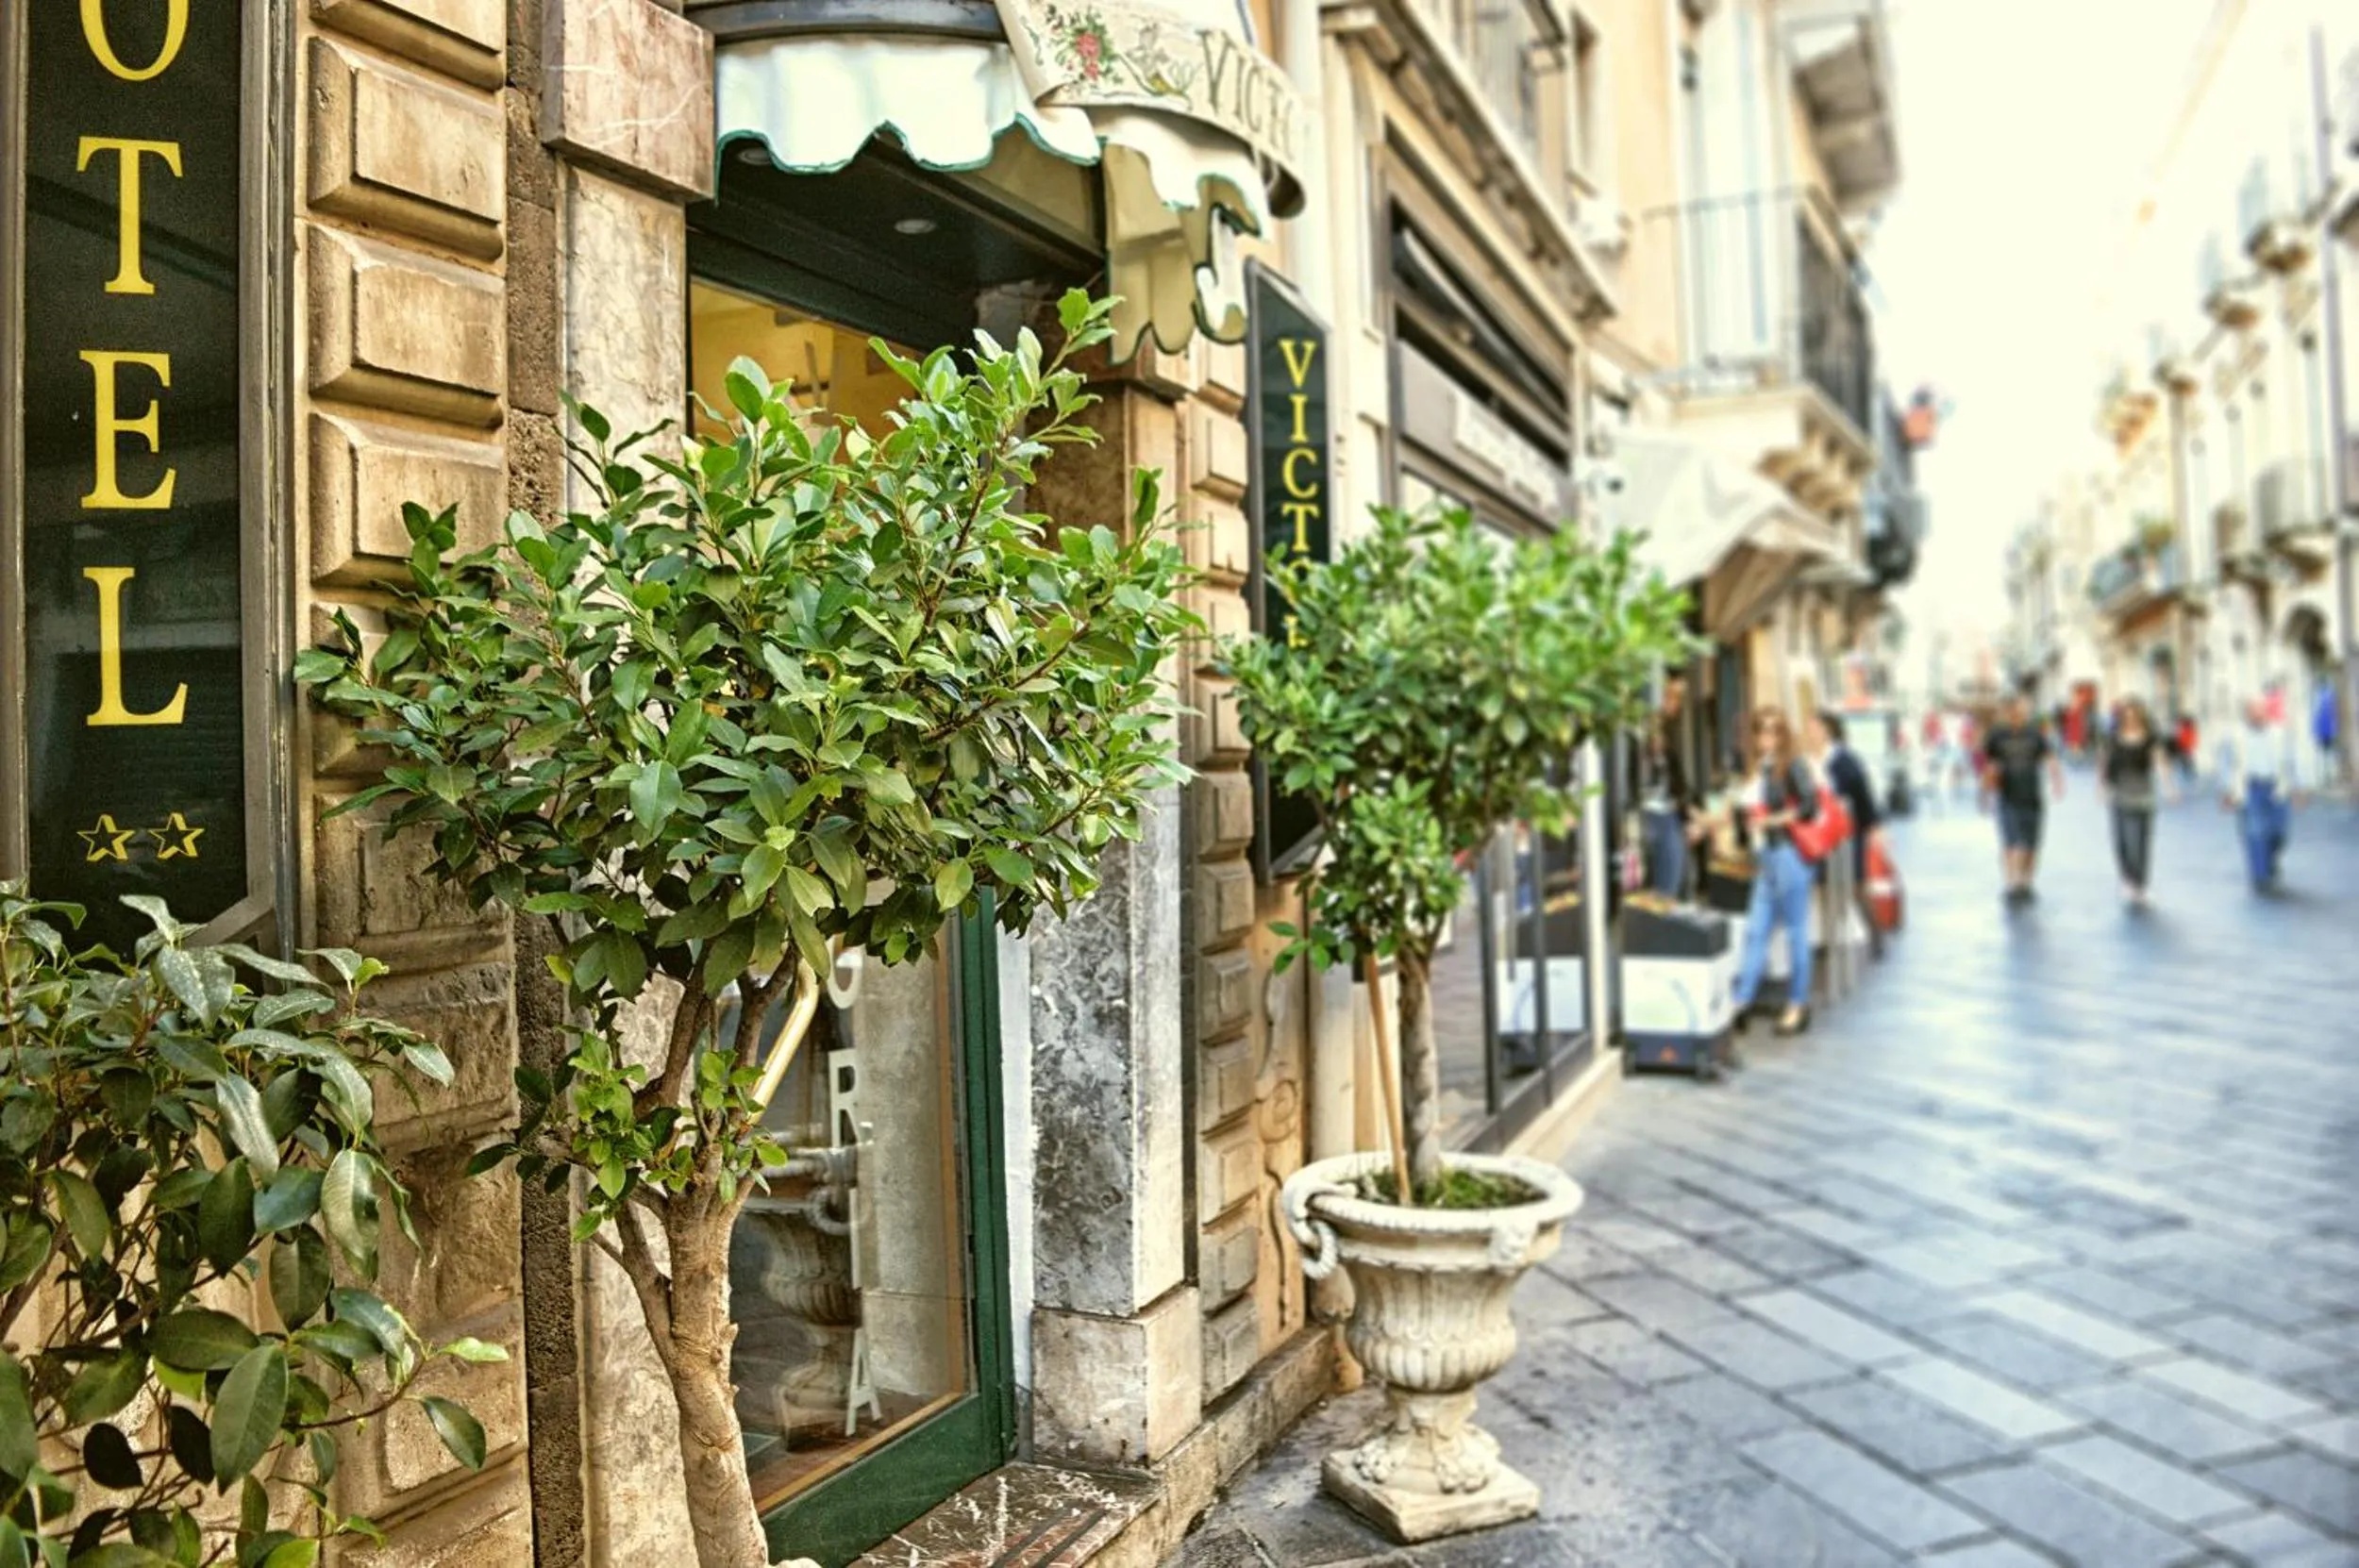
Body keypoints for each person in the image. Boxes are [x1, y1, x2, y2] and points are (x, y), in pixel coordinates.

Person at [1722, 707, 1819, 1038]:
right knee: (1755, 929)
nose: (1767, 736)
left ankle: (1798, 1004)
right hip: (1766, 857)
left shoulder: (1792, 764)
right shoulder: (1762, 767)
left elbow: (1808, 806)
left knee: (1794, 931)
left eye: (1774, 730)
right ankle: (1742, 1001)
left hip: (1788, 855)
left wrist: (1770, 821)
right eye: (1761, 730)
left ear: (1784, 734)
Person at [1808, 709, 1884, 959]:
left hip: (1848, 831)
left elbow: (1862, 795)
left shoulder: (1844, 760)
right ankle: (1828, 939)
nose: (1809, 732)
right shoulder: (1810, 760)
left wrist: (1872, 827)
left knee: (1855, 883)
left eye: (1813, 727)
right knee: (1824, 885)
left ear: (1826, 730)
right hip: (1820, 832)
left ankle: (1875, 933)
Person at [1980, 694, 2065, 903]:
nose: (2020, 713)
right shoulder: (1997, 735)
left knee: (2031, 844)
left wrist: (2057, 781)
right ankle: (2011, 883)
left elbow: (2049, 758)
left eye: (2023, 709)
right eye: (2017, 709)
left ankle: (2026, 881)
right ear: (2009, 711)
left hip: (2032, 795)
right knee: (2011, 842)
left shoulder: (2035, 734)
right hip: (2007, 795)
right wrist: (1985, 793)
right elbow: (1988, 765)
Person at [2221, 695, 2295, 892]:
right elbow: (2227, 764)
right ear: (2246, 714)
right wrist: (2227, 790)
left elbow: (2290, 760)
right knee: (2255, 832)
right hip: (2250, 787)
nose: (2258, 714)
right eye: (2253, 710)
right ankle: (2260, 876)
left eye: (2261, 710)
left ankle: (2271, 860)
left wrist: (2299, 786)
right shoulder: (2235, 736)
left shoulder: (2279, 733)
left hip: (2276, 787)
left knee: (2279, 833)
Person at [1631, 675, 1695, 898]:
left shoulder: (1671, 736)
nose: (1675, 705)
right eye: (1671, 697)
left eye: (1678, 699)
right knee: (1650, 885)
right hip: (1647, 815)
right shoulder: (1636, 735)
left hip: (1668, 814)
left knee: (1670, 883)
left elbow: (1677, 783)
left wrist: (1687, 816)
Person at [2100, 698, 2163, 905]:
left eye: (2135, 716)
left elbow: (2159, 761)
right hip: (2120, 793)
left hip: (2144, 793)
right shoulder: (2113, 739)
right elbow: (2104, 763)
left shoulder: (2150, 739)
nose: (2131, 720)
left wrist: (2169, 786)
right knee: (2125, 840)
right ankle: (2128, 878)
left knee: (2142, 841)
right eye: (2127, 717)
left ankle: (2141, 883)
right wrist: (2101, 787)